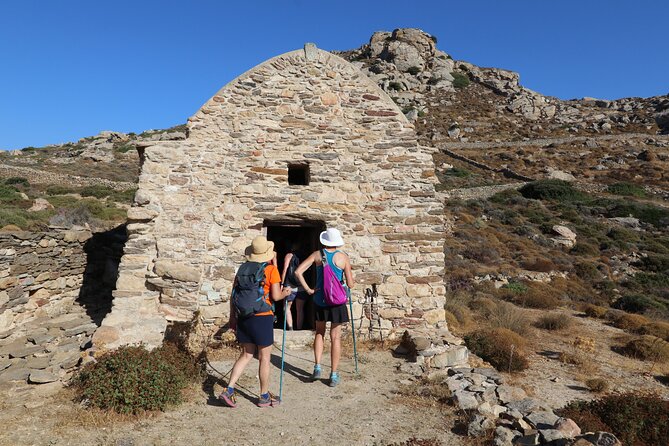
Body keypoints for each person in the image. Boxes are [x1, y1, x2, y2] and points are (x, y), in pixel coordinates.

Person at [219, 235, 292, 408]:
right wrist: (286, 293)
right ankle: (264, 395)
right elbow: (275, 296)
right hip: (263, 317)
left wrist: (232, 317)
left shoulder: (243, 269)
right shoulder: (271, 270)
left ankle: (228, 389)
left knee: (246, 354)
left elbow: (233, 294)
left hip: (244, 316)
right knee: (264, 358)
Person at [294, 228, 354, 387]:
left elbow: (298, 272)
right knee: (336, 338)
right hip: (337, 303)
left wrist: (308, 290)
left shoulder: (317, 255)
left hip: (320, 300)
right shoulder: (343, 257)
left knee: (319, 333)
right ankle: (333, 375)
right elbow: (350, 283)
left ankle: (317, 367)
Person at [280, 241, 306, 330]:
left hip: (290, 285)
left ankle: (290, 328)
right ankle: (299, 328)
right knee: (300, 309)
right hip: (302, 285)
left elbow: (285, 270)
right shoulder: (304, 256)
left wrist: (282, 283)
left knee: (287, 307)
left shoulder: (289, 255)